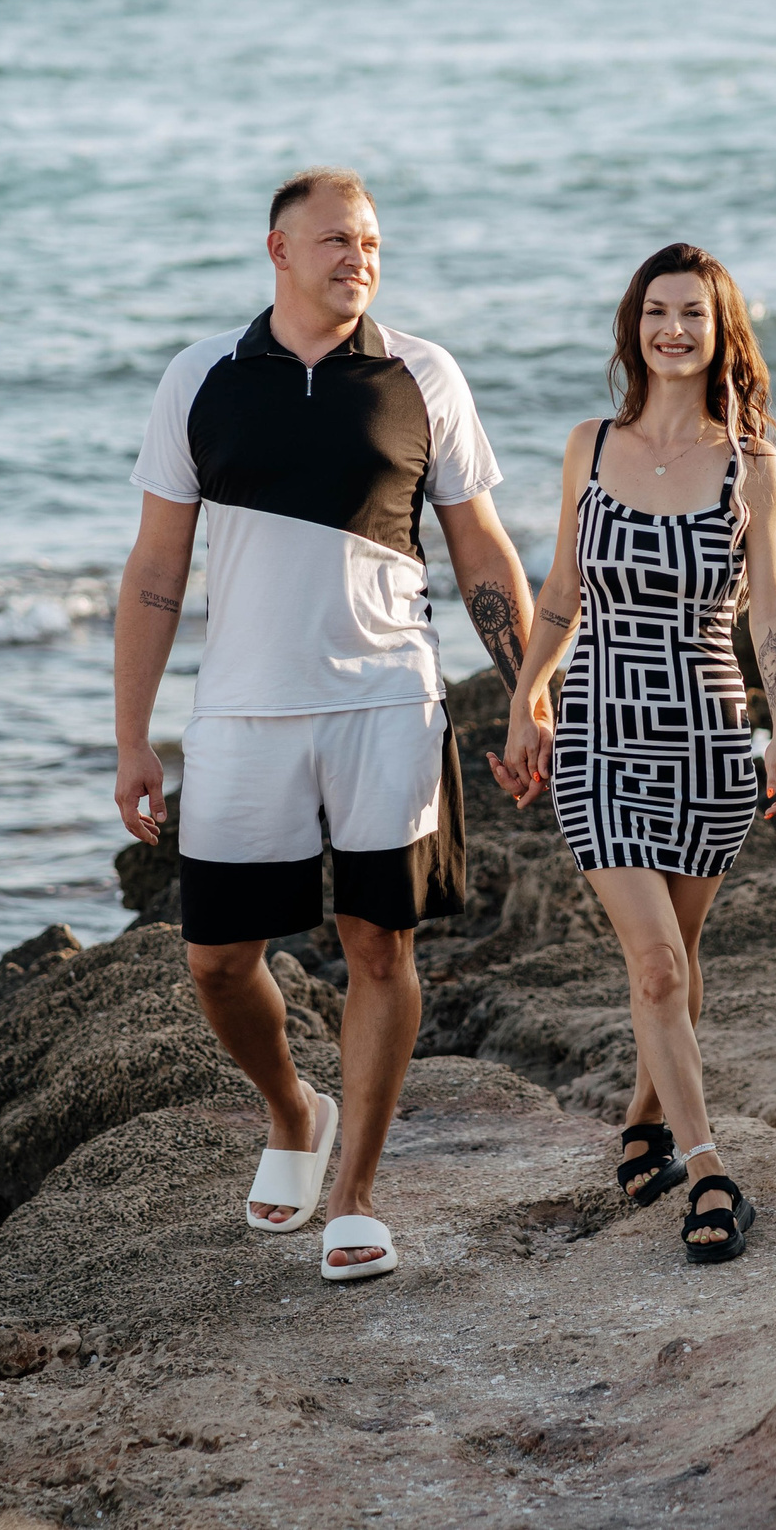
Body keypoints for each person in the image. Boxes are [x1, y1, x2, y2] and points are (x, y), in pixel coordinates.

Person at [113, 168, 537, 1283]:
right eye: (339, 240)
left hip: (387, 703)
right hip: (244, 711)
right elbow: (156, 570)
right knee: (215, 960)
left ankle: (355, 1191)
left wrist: (530, 692)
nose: (361, 257)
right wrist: (132, 736)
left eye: (374, 243)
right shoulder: (200, 376)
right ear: (277, 249)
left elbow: (481, 551)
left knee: (376, 945)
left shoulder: (421, 374)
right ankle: (291, 1110)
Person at [489, 243, 776, 1265]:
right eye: (656, 311)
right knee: (657, 963)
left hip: (710, 736)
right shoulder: (589, 444)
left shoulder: (751, 464)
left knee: (677, 964)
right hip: (598, 734)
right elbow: (560, 595)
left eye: (693, 314)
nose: (673, 328)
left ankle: (643, 1119)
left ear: (721, 333)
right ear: (633, 327)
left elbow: (772, 614)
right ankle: (707, 1168)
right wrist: (525, 699)